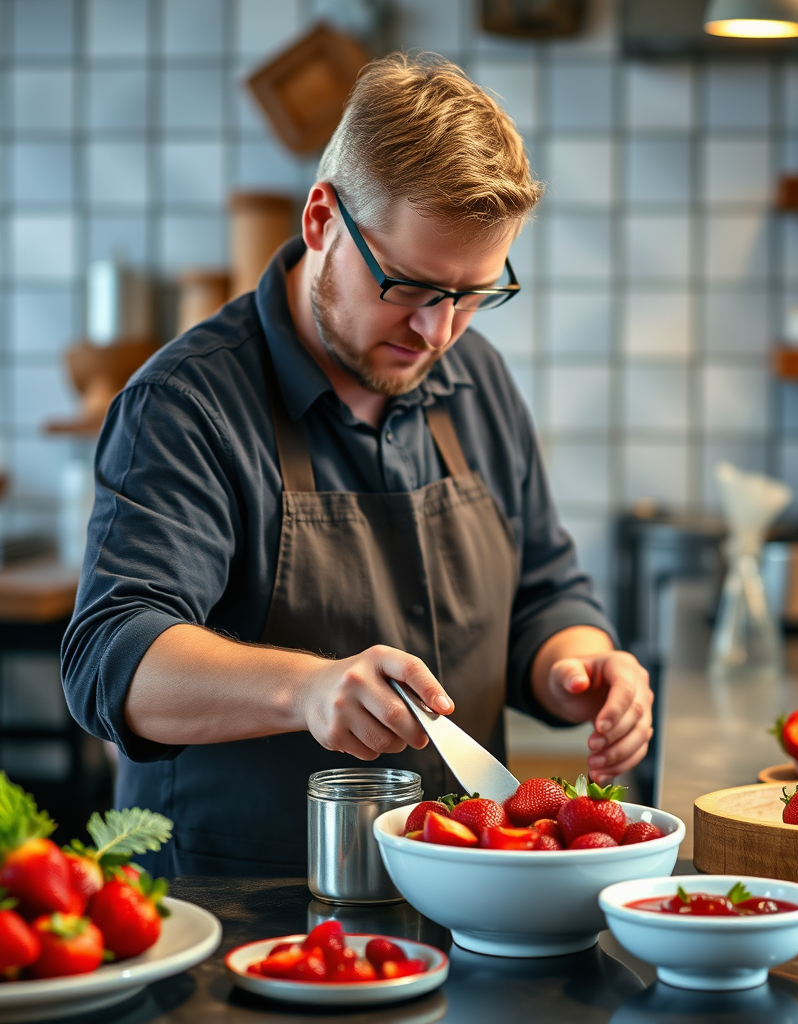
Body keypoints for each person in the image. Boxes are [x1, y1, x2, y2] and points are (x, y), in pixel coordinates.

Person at [62, 52, 653, 876]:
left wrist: (574, 664)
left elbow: (545, 591)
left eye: (474, 294)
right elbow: (111, 660)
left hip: (456, 894)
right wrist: (307, 690)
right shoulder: (186, 404)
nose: (438, 333)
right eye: (408, 286)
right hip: (237, 904)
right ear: (320, 221)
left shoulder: (476, 379)